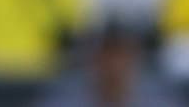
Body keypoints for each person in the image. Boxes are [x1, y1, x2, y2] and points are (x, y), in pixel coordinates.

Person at [37, 20, 183, 107]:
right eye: (106, 57)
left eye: (121, 57)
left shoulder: (162, 103)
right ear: (92, 62)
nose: (114, 67)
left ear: (135, 61)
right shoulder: (62, 102)